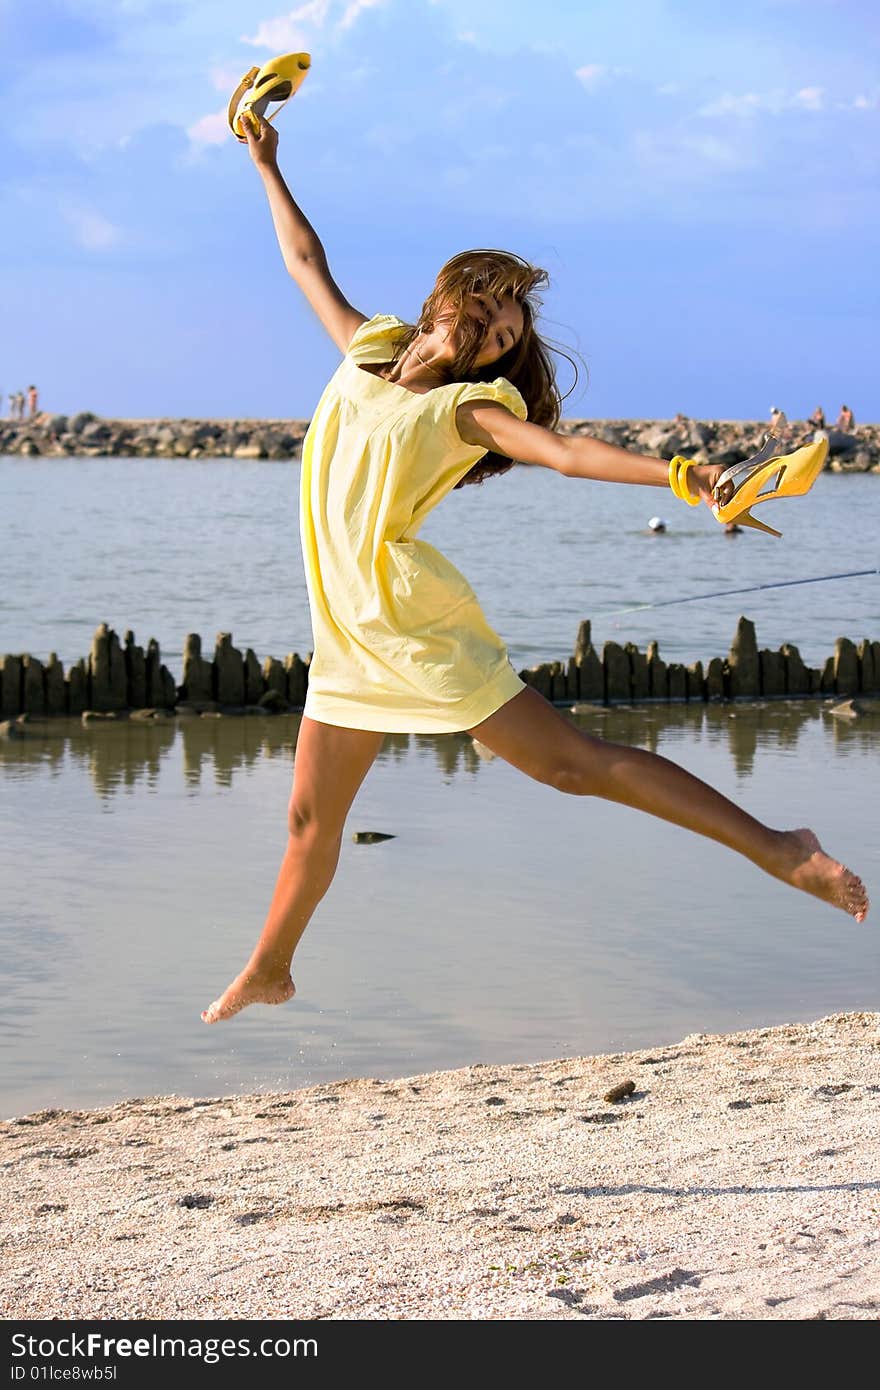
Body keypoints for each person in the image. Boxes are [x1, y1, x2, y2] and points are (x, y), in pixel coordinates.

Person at [201, 114, 869, 1024]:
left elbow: (564, 453)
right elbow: (305, 263)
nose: (493, 337)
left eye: (506, 334)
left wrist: (686, 475)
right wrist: (266, 164)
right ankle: (272, 968)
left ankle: (782, 848)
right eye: (487, 315)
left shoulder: (471, 409)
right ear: (448, 299)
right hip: (348, 629)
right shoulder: (369, 349)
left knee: (571, 768)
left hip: (411, 624)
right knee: (309, 825)